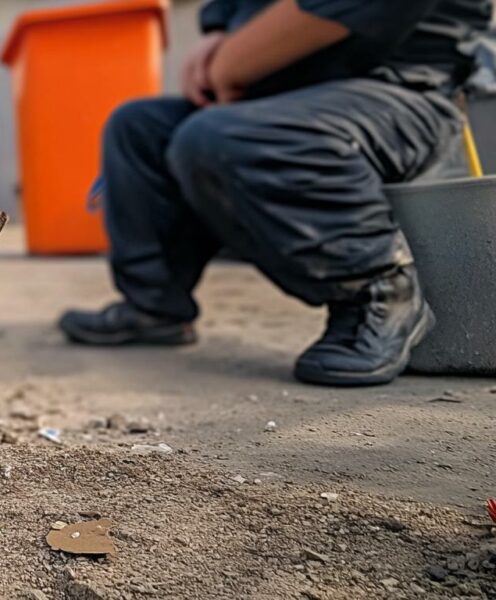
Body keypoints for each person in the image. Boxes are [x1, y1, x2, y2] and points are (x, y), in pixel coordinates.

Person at [58, 0, 492, 386]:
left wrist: (228, 62)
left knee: (219, 139)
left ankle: (379, 292)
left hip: (395, 93)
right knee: (138, 128)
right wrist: (219, 31)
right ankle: (155, 306)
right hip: (279, 94)